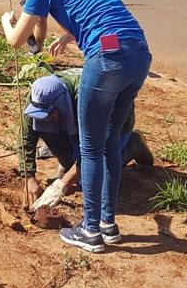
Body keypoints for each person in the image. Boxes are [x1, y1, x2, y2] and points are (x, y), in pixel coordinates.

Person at [1, 0, 152, 253]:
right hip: (138, 54)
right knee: (108, 142)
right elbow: (103, 13)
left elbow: (16, 41)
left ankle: (90, 230)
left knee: (91, 146)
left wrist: (7, 20)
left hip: (107, 59)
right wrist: (69, 36)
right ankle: (107, 226)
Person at [20, 69, 154, 209]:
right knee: (47, 129)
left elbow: (95, 148)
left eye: (50, 113)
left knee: (94, 182)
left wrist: (61, 185)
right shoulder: (37, 98)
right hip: (73, 113)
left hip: (113, 123)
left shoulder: (91, 99)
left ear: (61, 103)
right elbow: (26, 137)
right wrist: (28, 177)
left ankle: (132, 144)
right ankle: (70, 160)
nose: (47, 119)